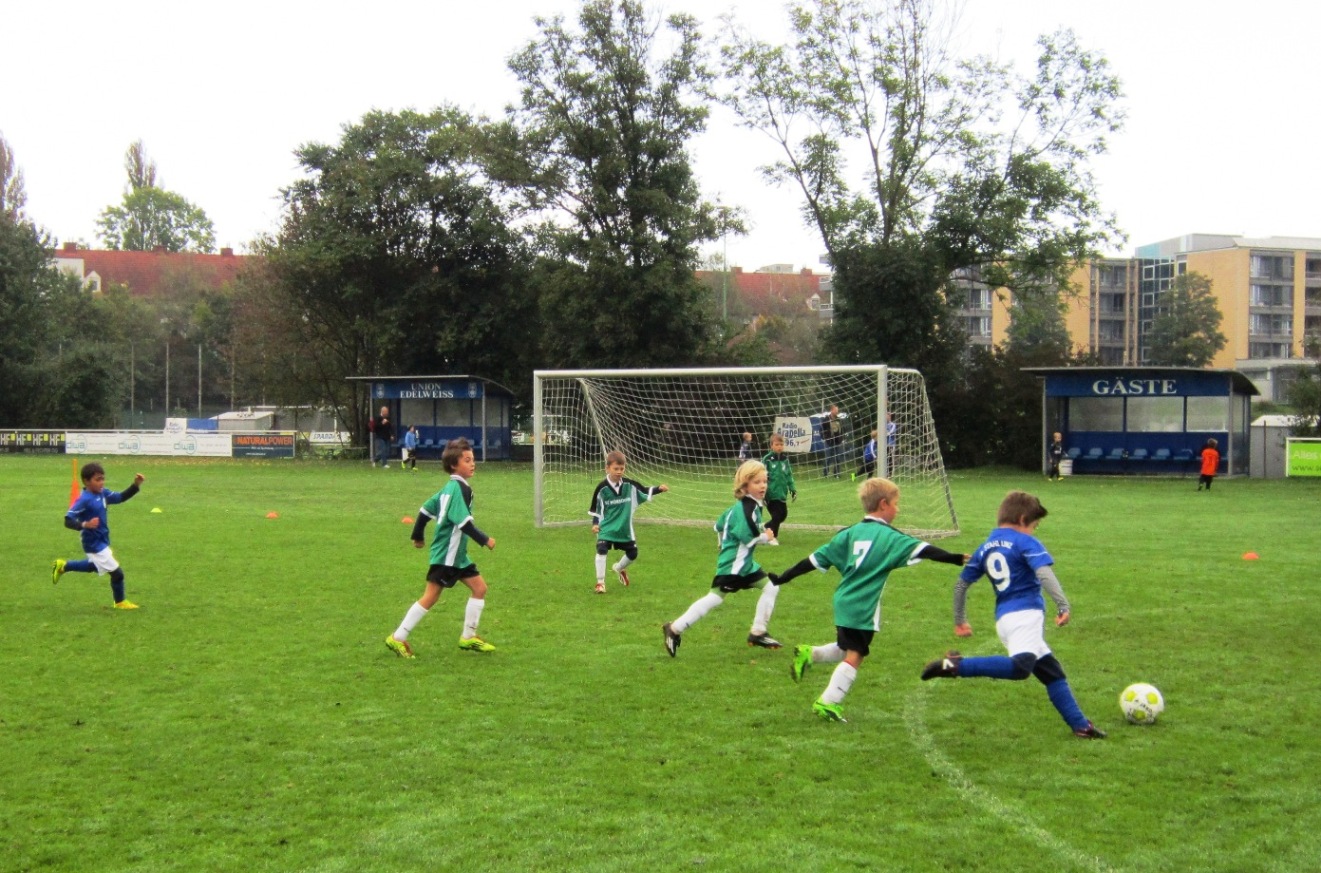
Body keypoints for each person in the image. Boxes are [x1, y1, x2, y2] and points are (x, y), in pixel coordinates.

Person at [772, 478, 967, 723]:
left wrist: (783, 578)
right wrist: (956, 558)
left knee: (846, 647)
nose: (898, 509)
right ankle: (828, 702)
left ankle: (809, 654)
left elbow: (811, 561)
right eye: (896, 504)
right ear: (883, 504)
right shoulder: (889, 536)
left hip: (843, 601)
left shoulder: (849, 533)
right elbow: (926, 550)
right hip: (862, 606)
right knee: (855, 655)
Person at [920, 490, 1107, 739]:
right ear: (1022, 519)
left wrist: (960, 619)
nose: (1033, 532)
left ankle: (1081, 725)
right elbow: (1044, 575)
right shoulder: (1025, 542)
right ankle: (955, 666)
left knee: (1051, 672)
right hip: (1026, 616)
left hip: (1005, 620)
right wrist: (1063, 606)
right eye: (1034, 526)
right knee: (1020, 668)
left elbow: (961, 585)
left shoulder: (985, 547)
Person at [385, 438, 497, 658]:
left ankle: (468, 637)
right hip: (447, 554)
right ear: (454, 465)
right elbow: (464, 523)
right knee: (431, 596)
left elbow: (425, 510)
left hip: (458, 556)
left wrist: (417, 535)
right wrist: (485, 540)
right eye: (467, 460)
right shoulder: (458, 489)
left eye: (473, 459)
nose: (472, 464)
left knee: (480, 588)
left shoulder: (449, 487)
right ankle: (397, 638)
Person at [663, 460, 782, 656]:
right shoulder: (748, 509)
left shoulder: (745, 506)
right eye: (757, 482)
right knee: (714, 598)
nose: (763, 486)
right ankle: (674, 628)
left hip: (745, 565)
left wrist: (722, 542)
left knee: (771, 586)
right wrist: (766, 537)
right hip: (734, 566)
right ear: (745, 485)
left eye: (765, 481)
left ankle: (758, 632)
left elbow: (718, 525)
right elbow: (748, 538)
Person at [52, 463, 146, 610]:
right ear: (86, 481)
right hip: (93, 543)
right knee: (117, 574)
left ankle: (63, 566)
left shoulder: (103, 493)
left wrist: (135, 485)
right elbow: (68, 521)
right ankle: (120, 602)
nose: (101, 482)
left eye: (103, 479)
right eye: (97, 479)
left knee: (95, 566)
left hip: (102, 540)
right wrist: (85, 524)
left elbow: (120, 497)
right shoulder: (84, 499)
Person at [588, 451, 669, 594]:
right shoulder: (602, 488)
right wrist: (595, 524)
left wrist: (659, 489)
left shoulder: (629, 485)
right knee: (601, 549)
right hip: (606, 527)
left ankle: (619, 568)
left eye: (622, 468)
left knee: (633, 553)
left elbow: (643, 491)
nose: (619, 472)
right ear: (607, 468)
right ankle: (600, 583)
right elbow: (596, 509)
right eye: (616, 468)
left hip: (624, 528)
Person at [762, 433, 797, 543]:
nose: (779, 447)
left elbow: (789, 475)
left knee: (783, 515)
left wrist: (792, 489)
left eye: (781, 444)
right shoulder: (767, 459)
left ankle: (767, 526)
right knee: (776, 516)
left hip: (782, 493)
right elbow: (761, 476)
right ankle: (773, 537)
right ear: (771, 446)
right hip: (771, 493)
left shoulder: (785, 459)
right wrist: (763, 493)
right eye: (777, 444)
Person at [820, 405, 843, 478]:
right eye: (835, 410)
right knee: (828, 458)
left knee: (837, 458)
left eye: (837, 410)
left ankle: (836, 474)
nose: (837, 412)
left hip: (837, 441)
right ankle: (825, 473)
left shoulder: (839, 419)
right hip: (829, 442)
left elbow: (842, 430)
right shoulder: (826, 419)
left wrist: (842, 438)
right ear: (831, 410)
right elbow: (821, 429)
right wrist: (824, 437)